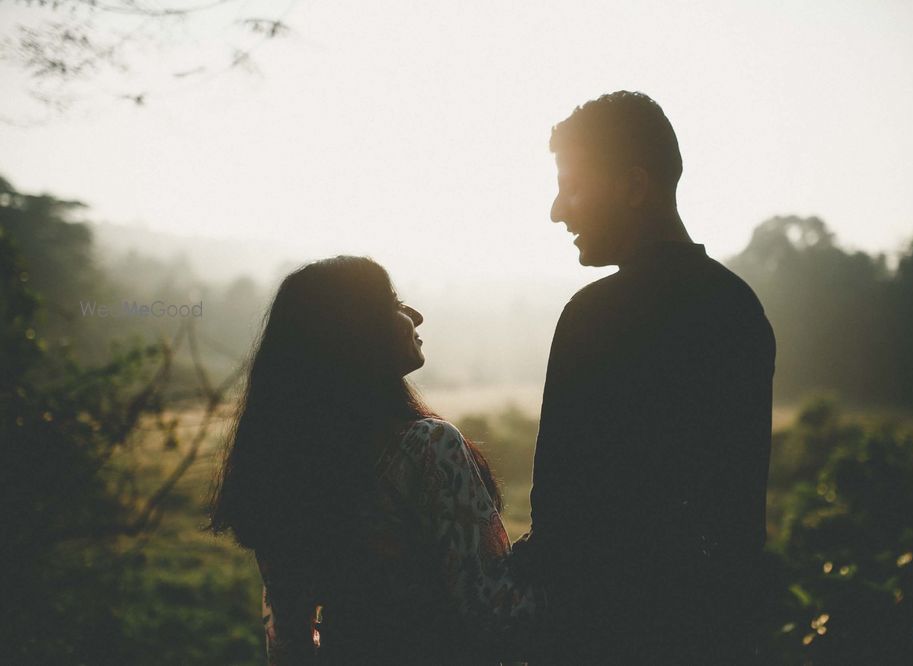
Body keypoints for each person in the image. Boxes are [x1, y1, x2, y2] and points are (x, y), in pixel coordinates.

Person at [511, 91, 776, 664]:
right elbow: (737, 505)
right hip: (714, 631)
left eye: (572, 186)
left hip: (600, 634)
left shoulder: (594, 317)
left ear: (634, 186)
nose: (558, 210)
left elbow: (558, 510)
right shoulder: (739, 309)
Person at [209, 256, 538, 665]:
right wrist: (553, 546)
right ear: (356, 332)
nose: (414, 314)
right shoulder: (428, 446)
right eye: (394, 302)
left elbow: (289, 641)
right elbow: (494, 613)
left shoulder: (288, 468)